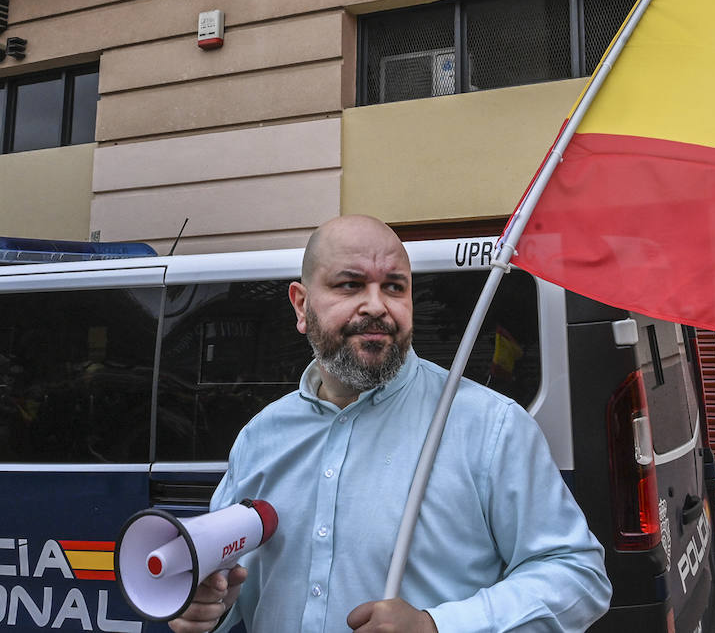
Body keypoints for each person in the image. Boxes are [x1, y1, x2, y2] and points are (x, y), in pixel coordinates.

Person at [169, 214, 611, 633]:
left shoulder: (490, 428)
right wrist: (206, 610)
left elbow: (577, 576)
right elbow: (224, 587)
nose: (377, 307)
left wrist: (437, 625)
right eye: (351, 285)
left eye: (395, 287)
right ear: (301, 306)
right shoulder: (260, 438)